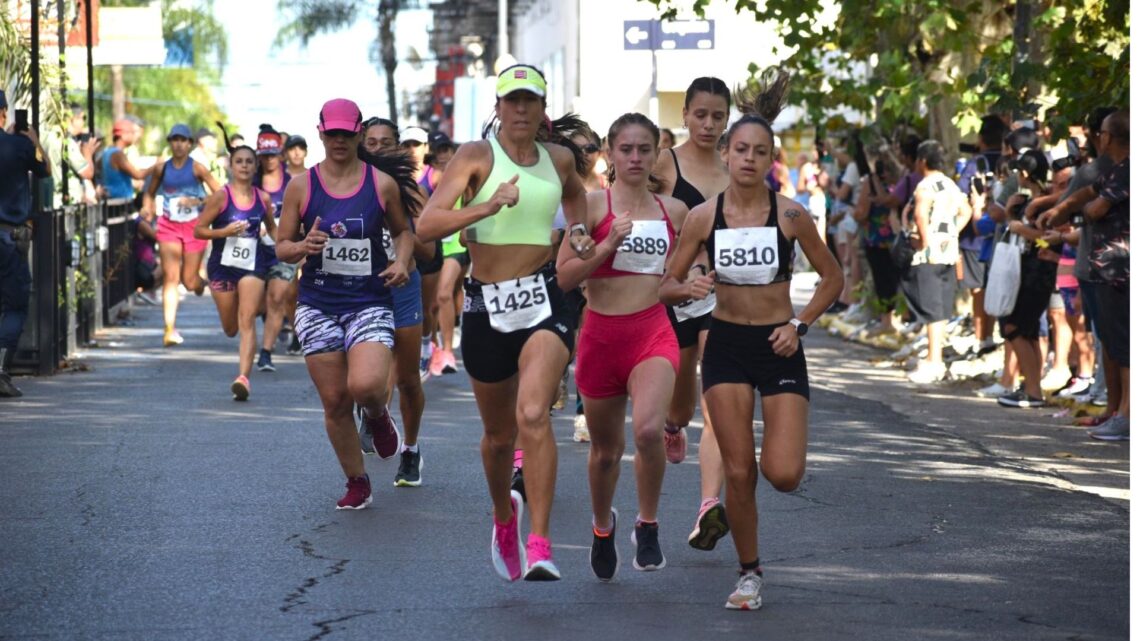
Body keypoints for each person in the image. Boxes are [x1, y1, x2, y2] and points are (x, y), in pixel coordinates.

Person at [659, 71, 842, 609]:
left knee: (782, 474)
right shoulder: (702, 217)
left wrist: (800, 324)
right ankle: (749, 573)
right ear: (727, 153)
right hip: (726, 348)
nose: (748, 159)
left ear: (770, 159)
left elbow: (833, 278)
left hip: (779, 346)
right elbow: (666, 285)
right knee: (739, 470)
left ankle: (761, 482)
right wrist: (689, 286)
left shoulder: (791, 215)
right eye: (740, 150)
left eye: (760, 152)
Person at [417, 64, 594, 582]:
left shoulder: (559, 158)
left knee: (534, 412)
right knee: (498, 438)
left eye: (529, 100)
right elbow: (427, 224)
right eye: (512, 100)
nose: (520, 109)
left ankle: (540, 543)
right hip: (486, 304)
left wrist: (577, 231)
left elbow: (576, 196)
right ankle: (503, 518)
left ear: (542, 109)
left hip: (543, 298)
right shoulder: (476, 156)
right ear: (497, 107)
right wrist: (486, 206)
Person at [556, 112, 686, 580]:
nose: (635, 157)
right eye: (626, 149)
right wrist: (607, 243)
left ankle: (647, 525)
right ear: (610, 153)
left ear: (656, 154)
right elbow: (565, 276)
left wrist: (693, 284)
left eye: (644, 149)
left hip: (652, 331)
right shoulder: (591, 207)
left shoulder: (674, 212)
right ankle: (602, 526)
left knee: (649, 431)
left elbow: (683, 273)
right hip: (600, 337)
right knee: (606, 452)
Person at [275, 97, 417, 509]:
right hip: (317, 304)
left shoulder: (381, 184)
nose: (339, 140)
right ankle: (357, 481)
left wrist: (402, 261)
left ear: (358, 135)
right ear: (321, 134)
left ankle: (376, 414)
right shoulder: (301, 186)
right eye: (332, 133)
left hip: (369, 300)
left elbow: (403, 232)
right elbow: (282, 246)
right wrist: (303, 245)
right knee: (336, 401)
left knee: (367, 385)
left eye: (346, 133)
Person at [650, 75, 731, 551]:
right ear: (684, 115)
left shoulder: (735, 167)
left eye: (718, 116)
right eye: (700, 114)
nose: (708, 124)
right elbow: (639, 212)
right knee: (681, 406)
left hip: (722, 298)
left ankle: (708, 505)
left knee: (717, 399)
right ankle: (671, 425)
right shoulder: (665, 163)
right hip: (674, 293)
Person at [1040, 109, 1129, 440]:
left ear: (1108, 137)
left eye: (1101, 132)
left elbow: (1095, 207)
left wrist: (1081, 212)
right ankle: (1116, 411)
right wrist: (1060, 209)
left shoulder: (1128, 171)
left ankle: (1127, 415)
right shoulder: (1115, 170)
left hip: (1121, 270)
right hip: (1106, 270)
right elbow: (1087, 194)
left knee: (1124, 345)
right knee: (1113, 343)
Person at [355, 117, 433, 488]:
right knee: (364, 374)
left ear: (398, 147)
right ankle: (374, 412)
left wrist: (399, 231)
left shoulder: (412, 191)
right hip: (361, 289)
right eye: (371, 142)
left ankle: (411, 449)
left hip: (402, 289)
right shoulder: (348, 187)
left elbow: (429, 250)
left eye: (386, 142)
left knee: (407, 378)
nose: (378, 149)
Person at [194, 143, 277, 400]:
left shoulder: (263, 199)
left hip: (253, 264)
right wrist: (224, 232)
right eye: (239, 161)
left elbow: (273, 229)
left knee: (247, 319)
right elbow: (199, 230)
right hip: (222, 267)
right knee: (231, 328)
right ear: (231, 165)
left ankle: (243, 378)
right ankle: (252, 309)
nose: (244, 166)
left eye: (249, 161)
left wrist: (290, 249)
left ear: (256, 166)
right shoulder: (221, 196)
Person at [142, 124, 222, 347]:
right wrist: (147, 207)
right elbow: (149, 193)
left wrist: (198, 201)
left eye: (183, 140)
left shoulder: (198, 168)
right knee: (171, 277)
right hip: (168, 226)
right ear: (170, 142)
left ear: (189, 144)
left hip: (194, 227)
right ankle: (169, 329)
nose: (178, 144)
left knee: (189, 281)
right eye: (174, 140)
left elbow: (220, 194)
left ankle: (199, 283)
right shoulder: (162, 169)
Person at [900, 140, 973, 384]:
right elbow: (966, 211)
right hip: (948, 251)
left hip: (929, 253)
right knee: (940, 309)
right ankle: (936, 358)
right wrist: (951, 232)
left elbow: (920, 215)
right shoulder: (950, 184)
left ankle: (934, 361)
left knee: (932, 310)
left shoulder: (925, 186)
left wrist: (925, 240)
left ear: (922, 161)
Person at [993, 150, 1055, 407]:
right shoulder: (1028, 200)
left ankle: (1034, 391)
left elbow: (1048, 240)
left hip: (1039, 271)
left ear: (1026, 173)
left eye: (1019, 171)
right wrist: (1011, 214)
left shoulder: (1047, 203)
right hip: (1024, 270)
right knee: (1026, 330)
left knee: (1014, 327)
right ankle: (1031, 387)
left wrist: (1020, 228)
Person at [0, 89, 51, 397]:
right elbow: (45, 172)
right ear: (4, 113)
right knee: (16, 304)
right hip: (8, 237)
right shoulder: (19, 146)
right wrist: (33, 141)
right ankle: (0, 371)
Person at [252, 125, 294, 373]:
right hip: (254, 251)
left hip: (283, 248)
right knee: (257, 305)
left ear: (281, 154)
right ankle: (269, 319)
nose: (269, 160)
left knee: (277, 297)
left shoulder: (292, 184)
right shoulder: (250, 184)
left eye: (273, 154)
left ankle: (265, 353)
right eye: (265, 155)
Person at [102, 118, 152, 201]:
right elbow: (138, 175)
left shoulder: (107, 152)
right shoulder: (117, 154)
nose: (133, 136)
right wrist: (156, 166)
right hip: (121, 202)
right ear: (123, 134)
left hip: (112, 199)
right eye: (131, 133)